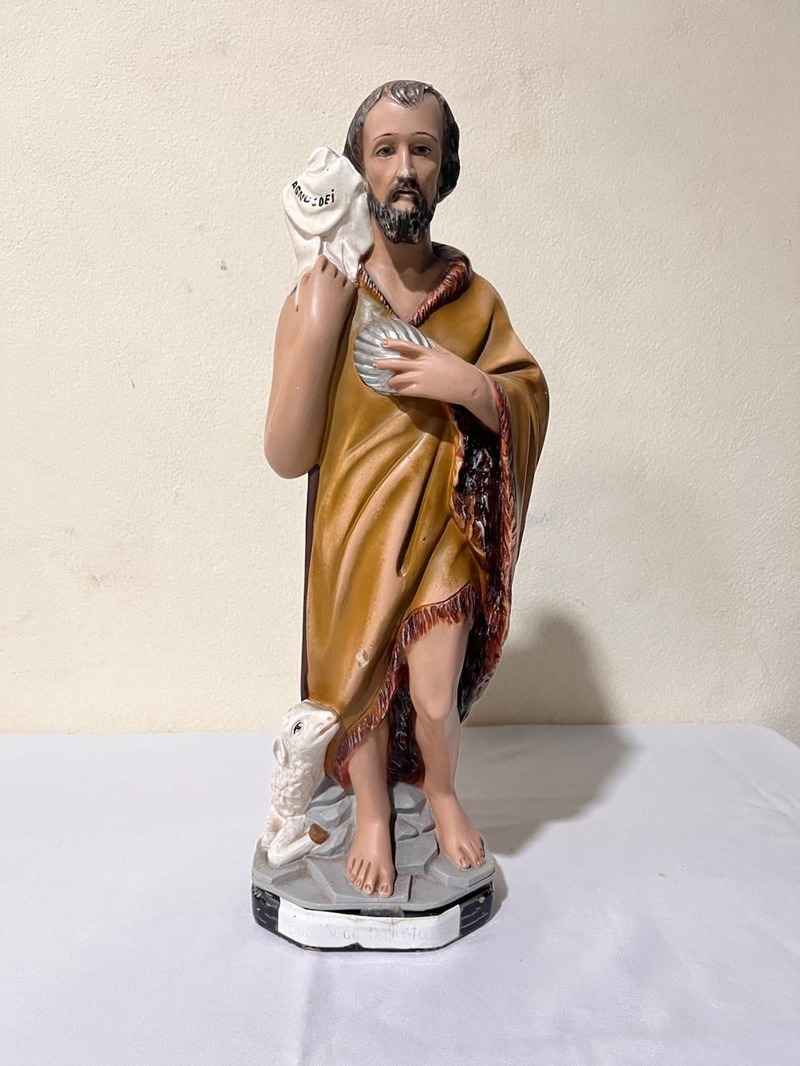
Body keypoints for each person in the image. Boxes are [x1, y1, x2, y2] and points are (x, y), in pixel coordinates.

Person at [265, 81, 548, 900]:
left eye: (422, 149)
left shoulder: (475, 301)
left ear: (445, 168)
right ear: (360, 169)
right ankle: (372, 813)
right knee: (357, 687)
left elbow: (526, 395)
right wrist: (318, 324)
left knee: (431, 693)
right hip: (354, 535)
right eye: (384, 150)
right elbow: (285, 452)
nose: (404, 169)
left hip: (442, 534)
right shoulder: (326, 292)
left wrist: (469, 384)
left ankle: (442, 791)